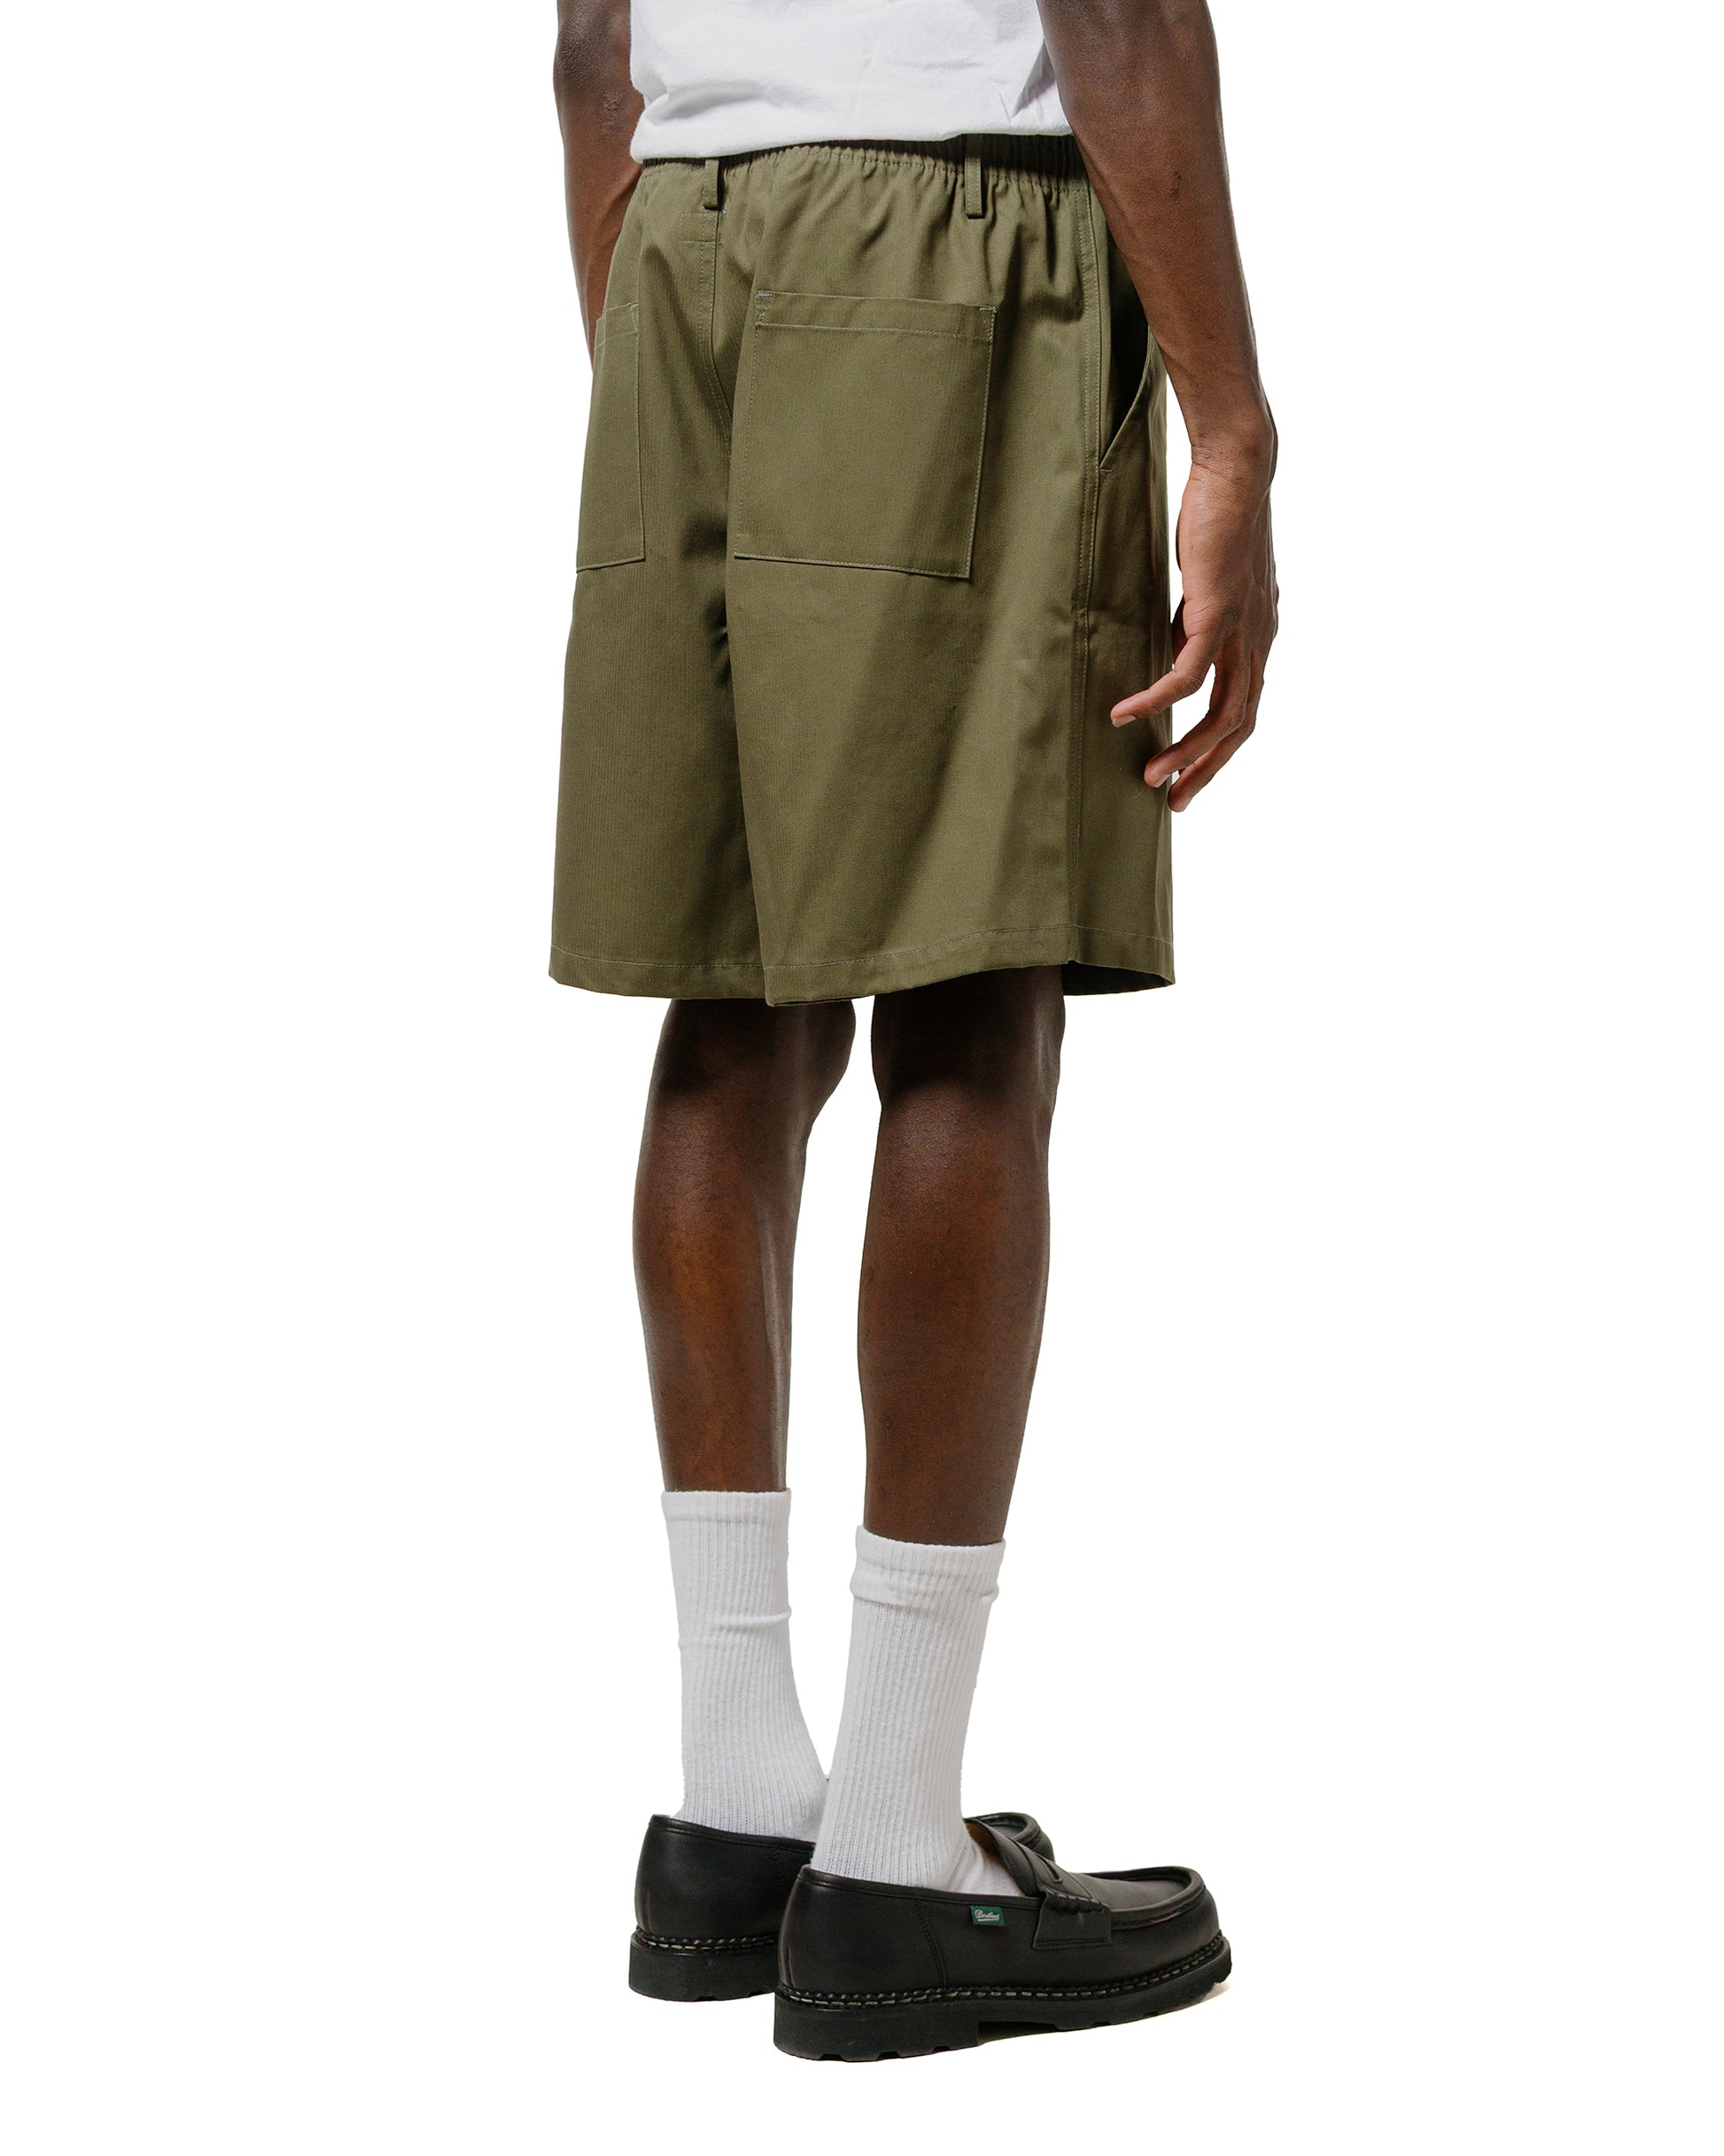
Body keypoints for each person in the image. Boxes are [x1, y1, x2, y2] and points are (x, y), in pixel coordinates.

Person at [549, 0, 1277, 2061]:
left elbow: (589, 50)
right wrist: (1230, 433)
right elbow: (1112, 14)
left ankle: (737, 1799)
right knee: (972, 999)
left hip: (678, 245)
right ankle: (886, 1846)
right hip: (947, 246)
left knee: (736, 1002)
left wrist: (678, 323)